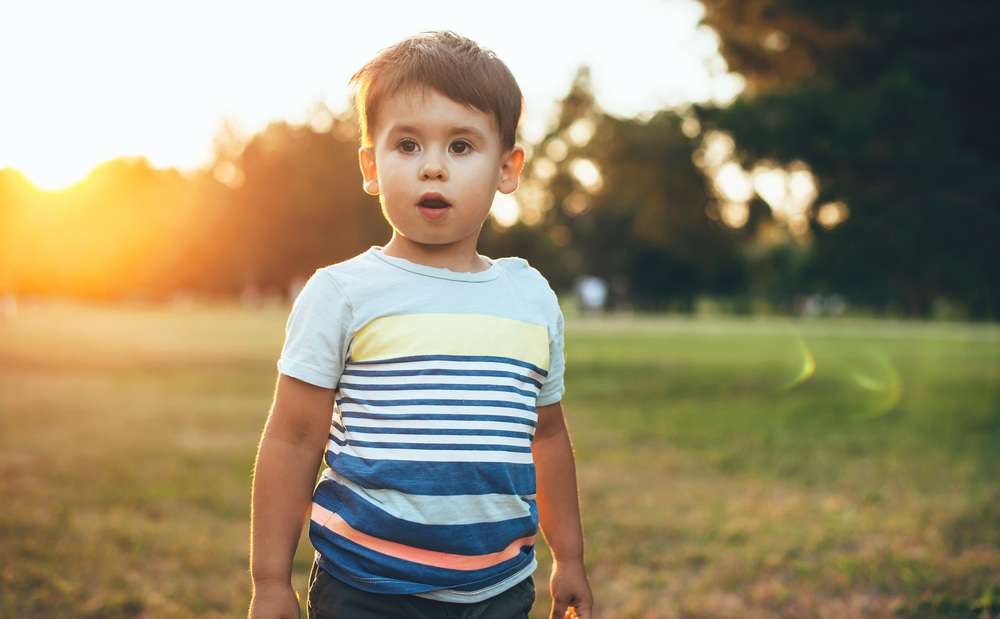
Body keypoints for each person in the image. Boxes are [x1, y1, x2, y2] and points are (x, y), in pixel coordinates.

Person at [248, 31, 593, 619]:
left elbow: (549, 437)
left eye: (461, 147)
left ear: (507, 168)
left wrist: (571, 558)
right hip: (365, 590)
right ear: (371, 166)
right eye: (407, 145)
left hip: (499, 591)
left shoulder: (530, 298)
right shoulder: (342, 293)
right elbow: (294, 437)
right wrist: (270, 581)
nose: (433, 167)